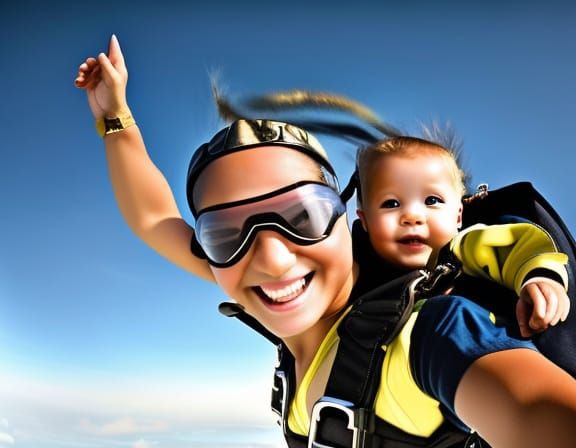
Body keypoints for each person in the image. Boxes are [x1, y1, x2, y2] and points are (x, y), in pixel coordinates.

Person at [75, 35, 576, 447]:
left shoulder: (430, 337)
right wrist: (114, 116)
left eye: (303, 215)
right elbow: (153, 219)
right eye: (226, 234)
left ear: (345, 217)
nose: (271, 258)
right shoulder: (283, 307)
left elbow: (538, 414)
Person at [355, 136, 570, 338]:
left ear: (458, 216)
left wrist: (540, 278)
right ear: (365, 221)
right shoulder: (358, 274)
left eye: (432, 200)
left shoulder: (464, 247)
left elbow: (519, 246)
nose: (412, 216)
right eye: (391, 204)